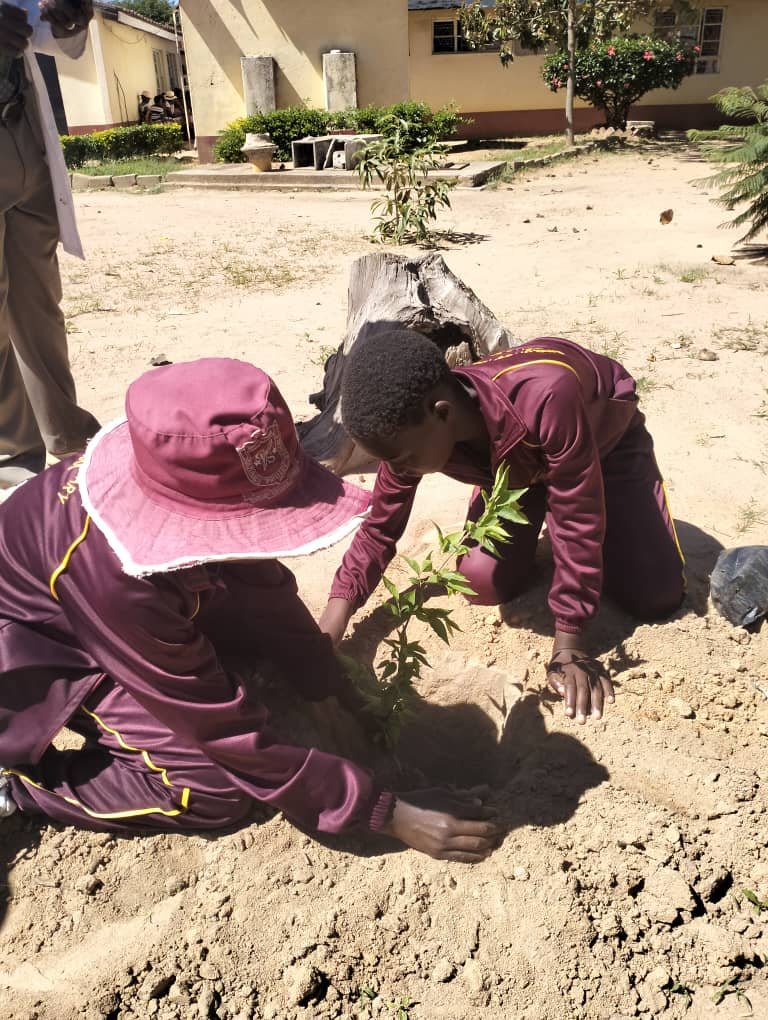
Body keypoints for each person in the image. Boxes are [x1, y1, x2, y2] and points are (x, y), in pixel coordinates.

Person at [0, 358, 499, 864]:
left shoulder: (190, 475)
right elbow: (224, 732)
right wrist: (387, 814)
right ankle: (23, 790)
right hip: (47, 641)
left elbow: (267, 593)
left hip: (132, 605)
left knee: (257, 645)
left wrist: (329, 688)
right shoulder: (114, 579)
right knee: (215, 790)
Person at [320, 330, 686, 725]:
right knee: (480, 581)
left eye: (404, 459)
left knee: (656, 593)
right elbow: (380, 526)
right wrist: (331, 626)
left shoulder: (547, 396)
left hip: (603, 446)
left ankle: (598, 510)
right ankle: (540, 495)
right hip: (514, 470)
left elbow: (579, 516)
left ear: (443, 413)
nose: (398, 469)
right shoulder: (411, 437)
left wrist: (569, 643)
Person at [0, 0, 100, 489]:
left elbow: (38, 28)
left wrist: (67, 18)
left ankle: (64, 436)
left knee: (38, 302)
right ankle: (12, 456)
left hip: (22, 129)